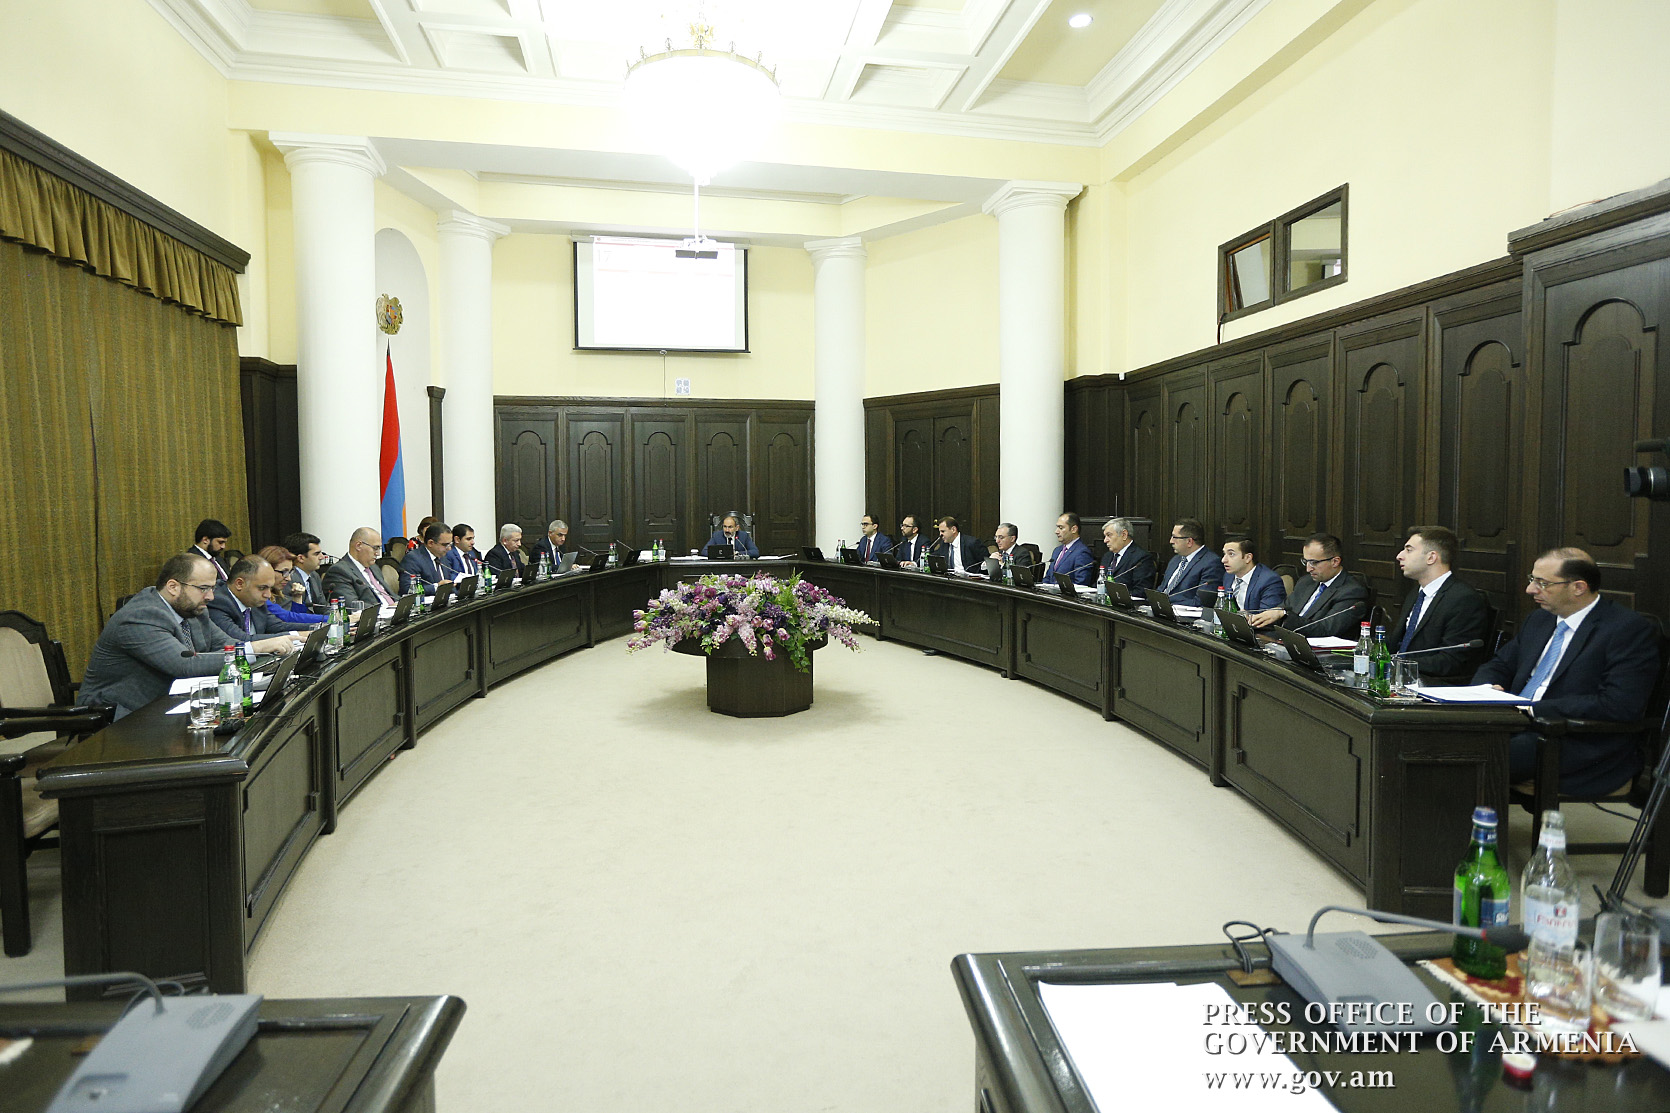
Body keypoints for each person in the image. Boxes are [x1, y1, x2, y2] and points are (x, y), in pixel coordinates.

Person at [1474, 548, 1660, 794]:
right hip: (1514, 725)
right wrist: (1486, 689)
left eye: (1542, 583)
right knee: (1442, 740)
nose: (1530, 589)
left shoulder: (1626, 629)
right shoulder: (1539, 620)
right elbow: (1498, 665)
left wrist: (1531, 708)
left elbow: (1619, 704)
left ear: (1578, 587)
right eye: (1532, 579)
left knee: (1470, 757)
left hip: (1572, 738)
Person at [79, 553, 293, 717]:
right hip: (120, 714)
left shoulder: (193, 609)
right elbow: (184, 665)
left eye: (212, 588)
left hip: (172, 705)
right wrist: (257, 648)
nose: (210, 596)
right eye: (204, 588)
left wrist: (270, 649)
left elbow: (228, 644)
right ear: (173, 587)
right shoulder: (141, 616)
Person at [1388, 525, 1492, 679]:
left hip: (1431, 682)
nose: (1399, 556)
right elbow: (1398, 642)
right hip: (1398, 676)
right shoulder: (1416, 593)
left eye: (1409, 550)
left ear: (1431, 557)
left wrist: (1398, 663)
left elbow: (1451, 661)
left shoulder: (1463, 599)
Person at [1248, 532, 1369, 635]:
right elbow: (1283, 608)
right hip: (1284, 641)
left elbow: (1325, 629)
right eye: (1305, 561)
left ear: (1335, 562)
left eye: (1314, 562)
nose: (1308, 569)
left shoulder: (1352, 592)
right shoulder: (1306, 582)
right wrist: (1255, 617)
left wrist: (1283, 615)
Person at [207, 556, 317, 643]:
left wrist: (318, 627)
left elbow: (278, 626)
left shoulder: (254, 600)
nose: (268, 595)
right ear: (240, 584)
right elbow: (241, 640)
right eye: (262, 588)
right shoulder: (217, 602)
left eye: (270, 588)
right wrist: (296, 636)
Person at [322, 527, 400, 608]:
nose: (378, 553)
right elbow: (352, 606)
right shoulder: (339, 571)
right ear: (358, 546)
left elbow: (391, 596)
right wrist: (387, 609)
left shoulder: (374, 567)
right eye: (375, 548)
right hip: (376, 614)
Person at [1155, 518, 1224, 604]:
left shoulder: (1211, 563)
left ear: (1189, 541)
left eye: (1175, 537)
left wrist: (1167, 603)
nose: (1171, 541)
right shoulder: (1175, 560)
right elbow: (1162, 589)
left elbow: (1201, 602)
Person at [257, 545, 326, 625]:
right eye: (284, 572)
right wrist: (330, 618)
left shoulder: (276, 593)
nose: (289, 578)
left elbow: (295, 622)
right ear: (267, 571)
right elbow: (288, 618)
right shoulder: (258, 596)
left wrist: (297, 598)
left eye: (290, 572)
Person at [1216, 535, 1287, 612]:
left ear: (1248, 558)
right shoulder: (1229, 575)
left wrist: (1245, 616)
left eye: (1231, 554)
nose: (1223, 560)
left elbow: (1266, 615)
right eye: (1224, 554)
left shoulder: (1269, 581)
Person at [1099, 517, 1155, 592]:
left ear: (1124, 535)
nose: (1105, 540)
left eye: (1109, 535)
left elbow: (1141, 591)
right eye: (1105, 536)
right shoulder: (1107, 556)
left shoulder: (1141, 558)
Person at [1043, 513, 1096, 586]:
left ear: (1074, 529)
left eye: (1061, 528)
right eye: (1057, 527)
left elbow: (1081, 582)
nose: (1056, 531)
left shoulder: (1082, 552)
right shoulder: (1057, 550)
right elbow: (1048, 577)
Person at [280, 531, 328, 610]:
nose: (322, 557)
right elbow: (289, 613)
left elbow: (323, 607)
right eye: (316, 554)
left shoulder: (314, 575)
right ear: (301, 558)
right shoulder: (287, 579)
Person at [402, 522, 454, 594]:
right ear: (430, 543)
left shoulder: (442, 557)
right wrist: (437, 587)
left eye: (450, 544)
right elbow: (407, 589)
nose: (449, 548)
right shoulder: (413, 559)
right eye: (445, 545)